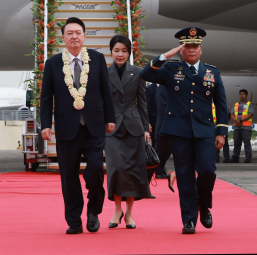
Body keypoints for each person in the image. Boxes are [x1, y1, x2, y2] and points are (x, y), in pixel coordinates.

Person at [140, 27, 228, 235]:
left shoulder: (212, 72)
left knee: (207, 171)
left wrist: (221, 132)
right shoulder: (170, 69)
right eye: (187, 46)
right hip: (178, 132)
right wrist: (164, 56)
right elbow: (145, 74)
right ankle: (189, 220)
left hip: (204, 130)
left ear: (201, 49)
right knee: (185, 175)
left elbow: (221, 104)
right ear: (181, 49)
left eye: (195, 46)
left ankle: (203, 204)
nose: (192, 50)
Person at [40, 17, 115, 234]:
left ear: (84, 36)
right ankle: (74, 220)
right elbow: (46, 97)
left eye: (78, 32)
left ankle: (93, 211)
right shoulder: (53, 63)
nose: (74, 36)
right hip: (66, 128)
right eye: (70, 33)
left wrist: (110, 118)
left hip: (94, 125)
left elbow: (105, 91)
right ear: (63, 37)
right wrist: (46, 124)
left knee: (94, 171)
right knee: (69, 177)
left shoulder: (98, 59)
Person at [105, 35, 151, 229]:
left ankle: (129, 214)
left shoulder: (138, 73)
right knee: (116, 169)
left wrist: (146, 127)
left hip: (133, 126)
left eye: (124, 51)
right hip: (111, 127)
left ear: (129, 52)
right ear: (111, 52)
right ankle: (117, 210)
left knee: (132, 170)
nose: (120, 54)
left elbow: (143, 102)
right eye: (116, 50)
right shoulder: (104, 73)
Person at [230, 89, 253, 163]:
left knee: (247, 143)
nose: (242, 95)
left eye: (243, 94)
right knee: (236, 143)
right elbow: (232, 114)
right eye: (240, 94)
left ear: (246, 95)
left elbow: (250, 114)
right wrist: (236, 121)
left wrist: (241, 120)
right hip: (237, 127)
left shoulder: (249, 104)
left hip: (246, 127)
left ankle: (248, 158)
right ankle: (235, 158)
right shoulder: (236, 104)